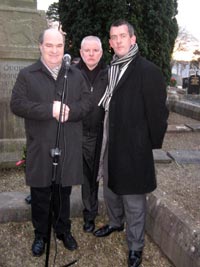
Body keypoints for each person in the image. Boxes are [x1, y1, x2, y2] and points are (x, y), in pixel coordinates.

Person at [93, 19, 169, 267]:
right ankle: (115, 223)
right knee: (110, 188)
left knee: (134, 199)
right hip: (110, 139)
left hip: (134, 146)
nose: (117, 41)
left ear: (132, 39)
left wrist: (147, 144)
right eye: (113, 37)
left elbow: (159, 115)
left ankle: (135, 246)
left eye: (122, 36)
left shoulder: (148, 71)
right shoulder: (110, 69)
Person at [10, 28, 92, 257]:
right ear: (40, 46)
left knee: (63, 192)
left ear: (64, 48)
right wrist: (49, 109)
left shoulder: (75, 75)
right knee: (40, 192)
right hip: (40, 145)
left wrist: (71, 111)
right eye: (49, 45)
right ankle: (41, 234)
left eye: (59, 46)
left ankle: (62, 230)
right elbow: (17, 104)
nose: (55, 50)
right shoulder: (28, 74)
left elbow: (87, 103)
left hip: (68, 145)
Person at [75, 36, 108, 232]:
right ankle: (57, 214)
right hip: (73, 131)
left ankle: (89, 214)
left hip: (95, 134)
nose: (91, 54)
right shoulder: (70, 73)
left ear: (101, 52)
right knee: (63, 173)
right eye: (87, 50)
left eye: (95, 50)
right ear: (81, 52)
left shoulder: (108, 75)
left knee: (90, 176)